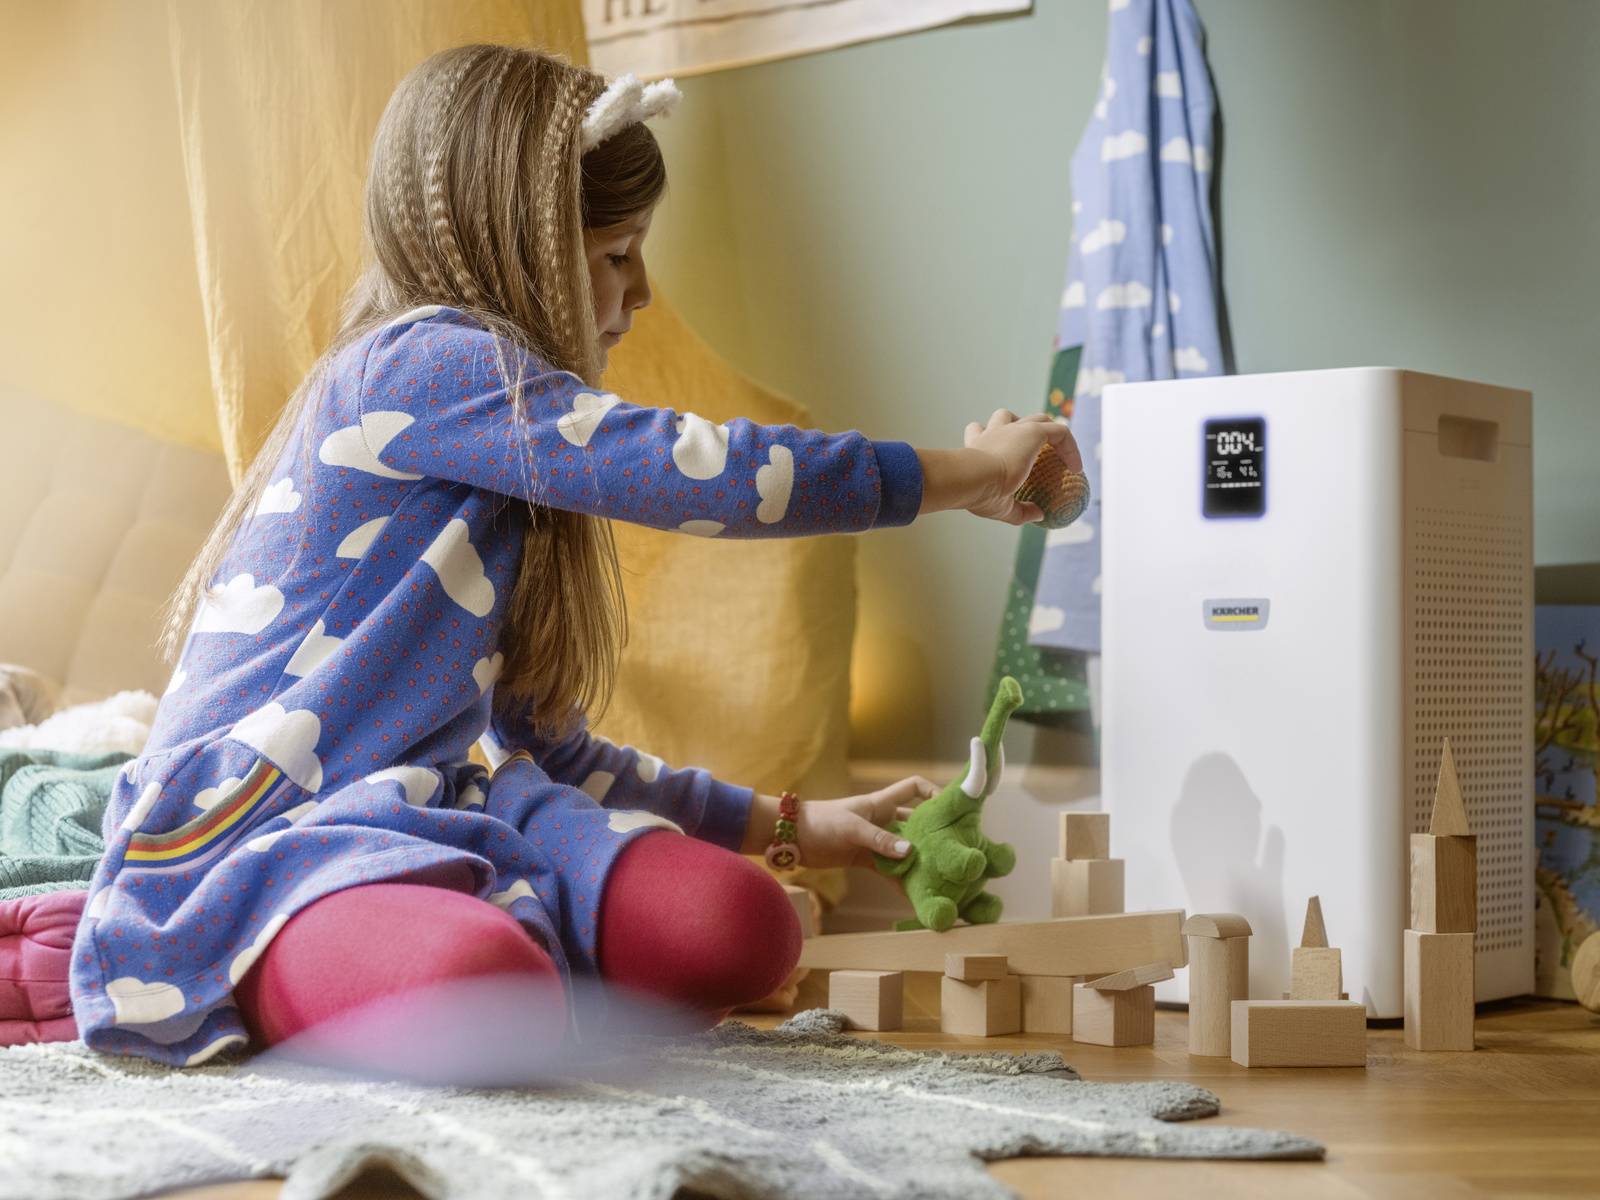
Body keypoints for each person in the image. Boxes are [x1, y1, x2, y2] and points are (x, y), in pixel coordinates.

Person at [67, 44, 1082, 1069]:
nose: (640, 291)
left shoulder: (504, 451)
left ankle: (489, 951)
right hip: (274, 831)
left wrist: (789, 823)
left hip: (439, 807)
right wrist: (965, 472)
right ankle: (344, 958)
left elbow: (546, 744)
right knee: (484, 992)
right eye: (616, 254)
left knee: (746, 926)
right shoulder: (420, 364)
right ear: (522, 246)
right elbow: (717, 476)